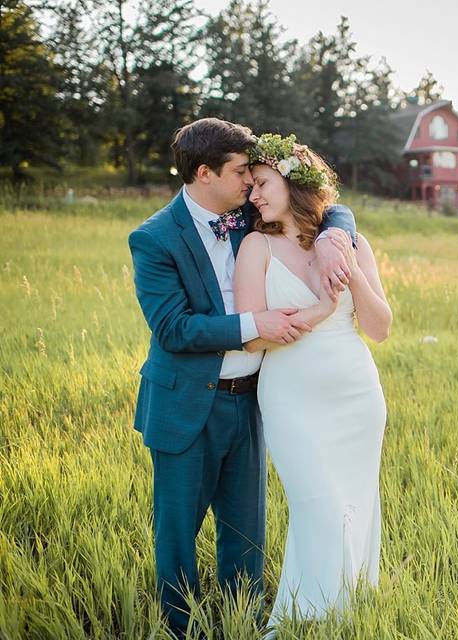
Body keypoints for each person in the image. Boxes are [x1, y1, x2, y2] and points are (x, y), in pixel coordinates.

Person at [127, 118, 358, 638]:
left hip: (253, 399)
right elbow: (173, 329)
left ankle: (245, 623)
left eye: (256, 179)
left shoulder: (251, 221)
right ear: (204, 173)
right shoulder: (154, 238)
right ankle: (178, 628)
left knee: (245, 533)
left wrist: (335, 234)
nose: (251, 186)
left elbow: (326, 203)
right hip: (187, 403)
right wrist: (257, 325)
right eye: (240, 174)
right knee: (178, 534)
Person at [233, 133, 391, 630]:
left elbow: (381, 328)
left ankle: (346, 615)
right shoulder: (255, 245)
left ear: (293, 180)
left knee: (354, 503)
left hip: (356, 393)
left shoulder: (351, 240)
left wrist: (347, 265)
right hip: (291, 397)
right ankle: (309, 619)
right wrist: (321, 308)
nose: (253, 195)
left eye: (261, 183)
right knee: (318, 504)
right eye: (251, 186)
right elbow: (252, 338)